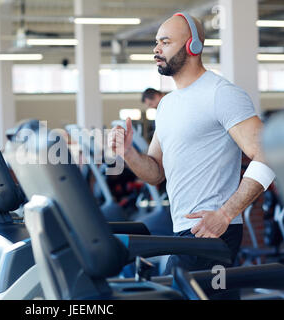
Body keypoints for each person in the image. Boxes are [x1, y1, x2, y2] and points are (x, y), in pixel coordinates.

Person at [108, 13, 275, 275]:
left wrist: (225, 214)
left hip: (212, 230)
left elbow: (268, 152)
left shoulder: (221, 94)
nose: (156, 49)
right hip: (183, 228)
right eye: (156, 42)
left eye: (165, 41)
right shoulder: (166, 105)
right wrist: (128, 152)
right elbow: (155, 172)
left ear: (192, 47)